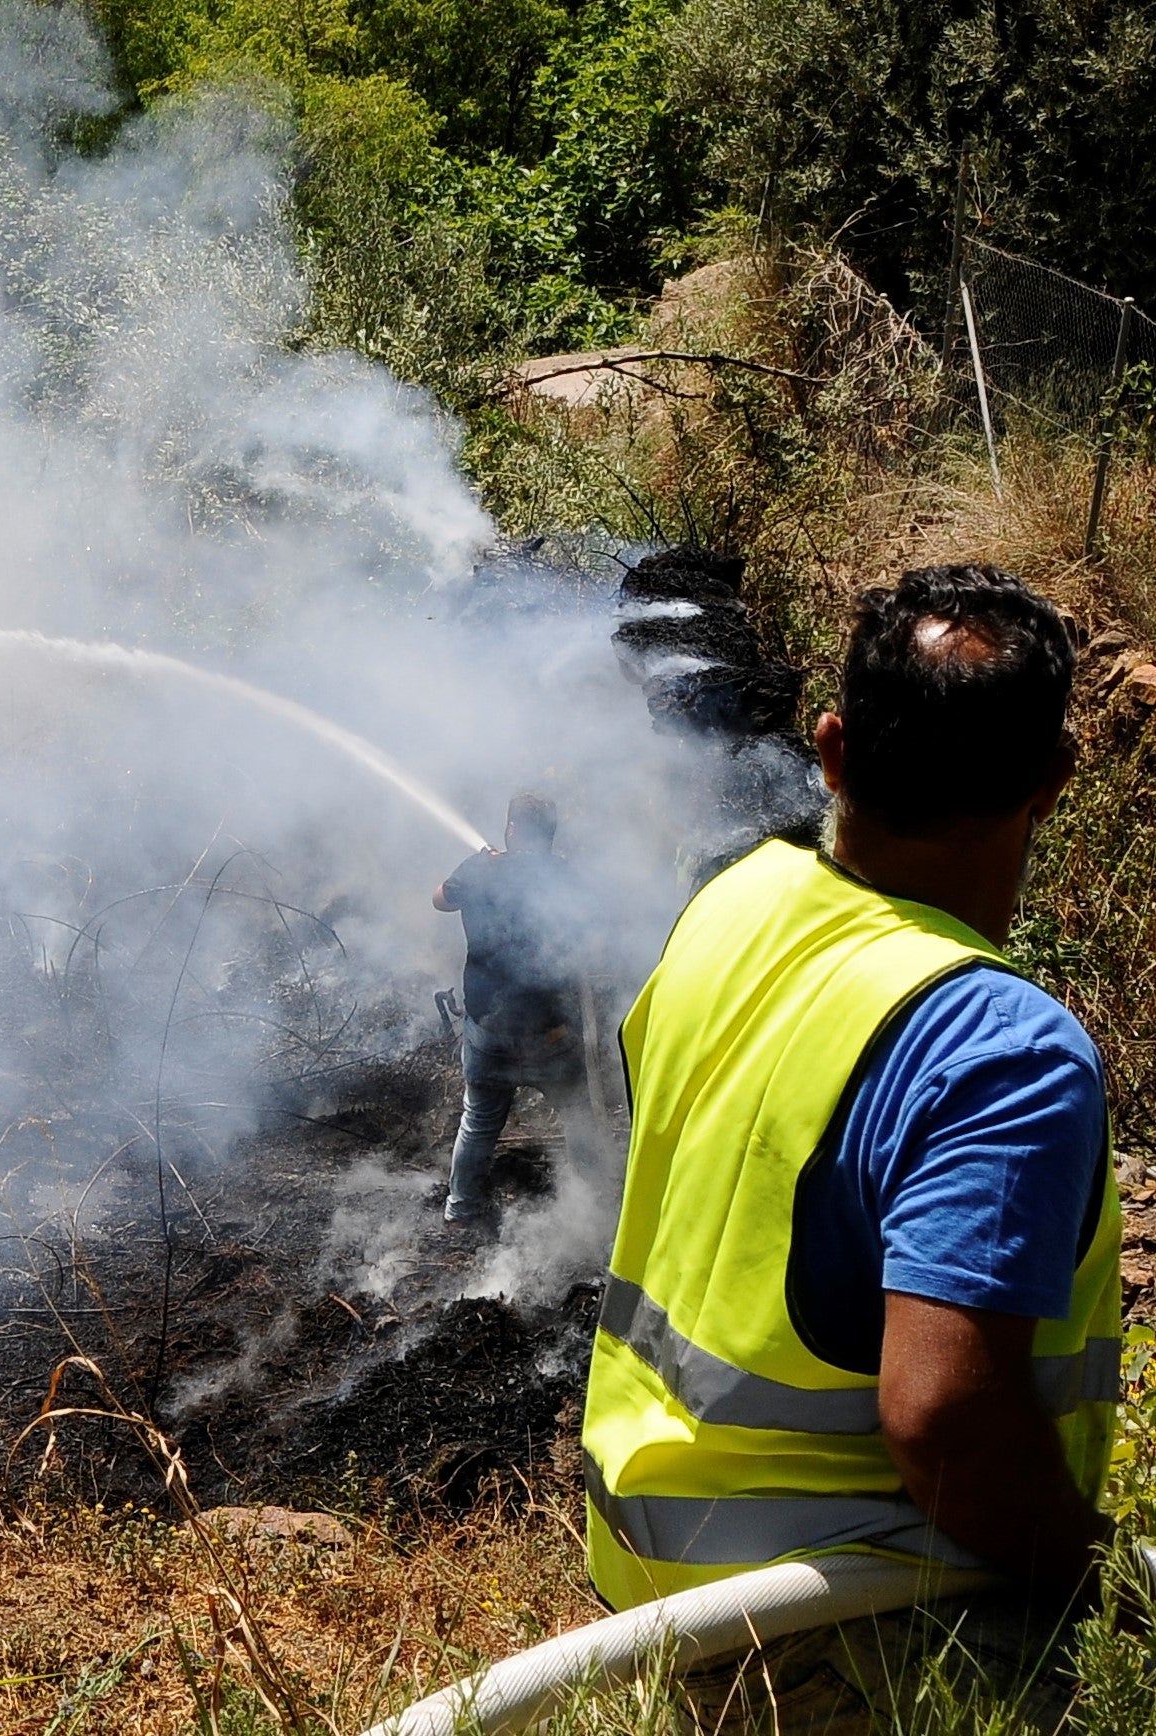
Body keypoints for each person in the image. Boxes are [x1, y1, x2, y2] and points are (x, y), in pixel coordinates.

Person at [581, 566, 1121, 1723]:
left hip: (654, 1588)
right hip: (848, 1622)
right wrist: (1111, 1589)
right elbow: (946, 1420)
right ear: (1056, 779)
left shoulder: (734, 904)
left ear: (830, 747)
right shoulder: (1004, 1051)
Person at [432, 792, 607, 1227]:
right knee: (579, 1114)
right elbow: (590, 931)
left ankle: (460, 1209)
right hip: (549, 1031)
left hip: (488, 1027)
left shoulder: (480, 868)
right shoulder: (562, 876)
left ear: (511, 829)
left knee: (478, 1120)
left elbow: (439, 899)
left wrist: (478, 866)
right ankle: (594, 1208)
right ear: (550, 835)